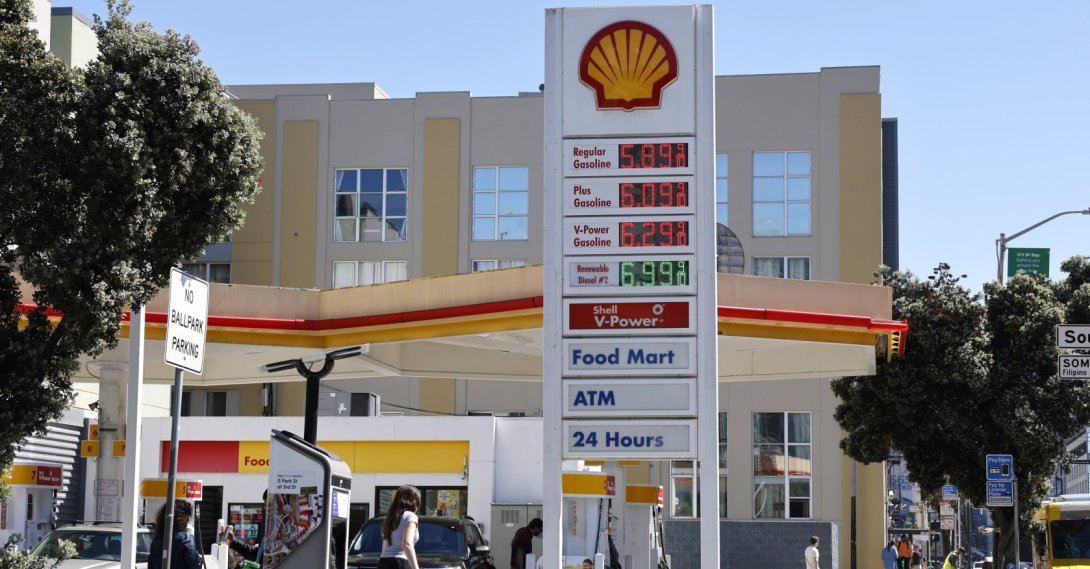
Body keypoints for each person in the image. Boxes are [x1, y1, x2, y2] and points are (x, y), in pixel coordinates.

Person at [149, 499, 202, 569]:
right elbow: (194, 566)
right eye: (187, 517)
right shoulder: (186, 540)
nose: (188, 520)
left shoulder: (156, 541)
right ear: (182, 518)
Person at [379, 484, 421, 569]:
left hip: (383, 562)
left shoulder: (391, 517)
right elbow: (407, 544)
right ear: (414, 501)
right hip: (400, 562)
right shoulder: (411, 516)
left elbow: (385, 544)